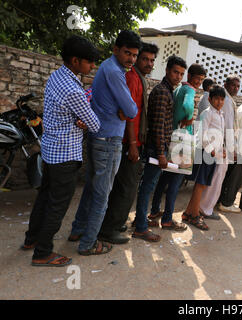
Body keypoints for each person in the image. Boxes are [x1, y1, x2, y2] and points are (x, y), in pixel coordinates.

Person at [22, 36, 100, 267]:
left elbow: (72, 113)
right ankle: (43, 253)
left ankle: (31, 239)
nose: (92, 67)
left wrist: (80, 117)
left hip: (51, 150)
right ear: (75, 61)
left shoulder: (58, 76)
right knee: (58, 204)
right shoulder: (73, 90)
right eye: (89, 62)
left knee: (45, 197)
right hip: (66, 154)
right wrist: (85, 118)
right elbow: (95, 124)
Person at [69, 31, 140, 256]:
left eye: (134, 55)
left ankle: (78, 230)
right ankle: (88, 243)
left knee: (92, 189)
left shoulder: (109, 68)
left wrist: (122, 109)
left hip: (98, 136)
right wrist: (124, 109)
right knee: (102, 194)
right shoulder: (114, 72)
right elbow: (131, 110)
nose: (131, 59)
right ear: (115, 49)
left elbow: (124, 110)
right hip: (108, 140)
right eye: (127, 53)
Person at [98, 42, 159, 244]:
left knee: (122, 186)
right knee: (127, 187)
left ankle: (114, 222)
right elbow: (129, 115)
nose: (148, 63)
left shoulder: (139, 78)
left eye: (152, 60)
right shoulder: (132, 78)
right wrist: (133, 144)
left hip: (129, 140)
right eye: (144, 59)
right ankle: (110, 229)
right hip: (127, 141)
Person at [133, 55, 187, 242]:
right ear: (167, 71)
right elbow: (157, 126)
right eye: (175, 72)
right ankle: (140, 227)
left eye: (181, 74)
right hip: (156, 149)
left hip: (159, 148)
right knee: (147, 187)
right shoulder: (163, 92)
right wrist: (161, 153)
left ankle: (139, 222)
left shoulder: (168, 90)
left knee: (147, 186)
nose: (178, 77)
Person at [149, 64, 206, 230]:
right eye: (197, 78)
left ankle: (154, 211)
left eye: (202, 80)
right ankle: (167, 219)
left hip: (173, 137)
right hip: (183, 142)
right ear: (190, 76)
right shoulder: (189, 90)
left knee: (164, 179)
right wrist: (189, 118)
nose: (199, 82)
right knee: (175, 182)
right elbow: (188, 106)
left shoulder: (179, 88)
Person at [182, 85, 227, 230]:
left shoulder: (220, 114)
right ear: (210, 99)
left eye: (222, 99)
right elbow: (201, 134)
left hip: (213, 153)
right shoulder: (207, 113)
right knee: (200, 185)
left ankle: (188, 213)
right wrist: (212, 151)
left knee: (202, 184)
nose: (219, 102)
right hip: (205, 152)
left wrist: (222, 148)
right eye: (216, 99)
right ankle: (194, 216)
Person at [201, 75, 241, 216]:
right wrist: (230, 149)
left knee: (217, 180)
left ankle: (208, 207)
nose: (235, 88)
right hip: (215, 151)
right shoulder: (223, 105)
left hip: (221, 149)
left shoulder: (225, 105)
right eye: (233, 85)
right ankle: (205, 208)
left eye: (237, 86)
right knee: (214, 180)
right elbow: (227, 128)